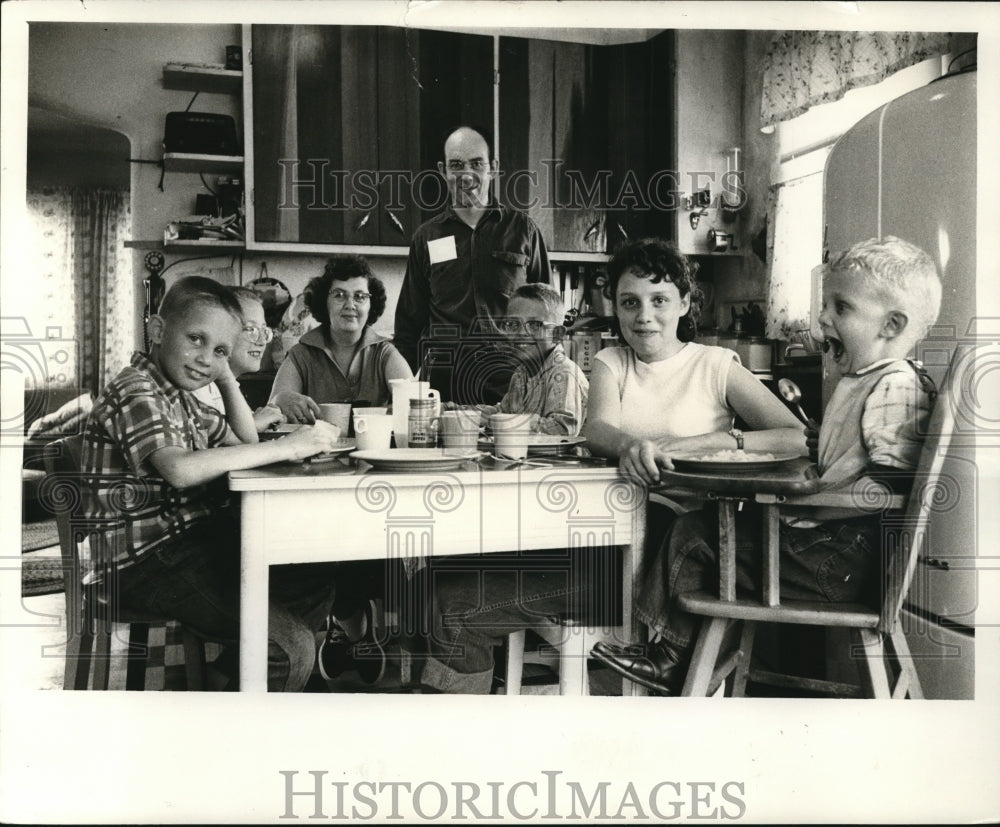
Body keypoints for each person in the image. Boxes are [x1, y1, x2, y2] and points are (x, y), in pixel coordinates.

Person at [416, 238, 802, 694]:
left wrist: (719, 440)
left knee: (451, 604)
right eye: (629, 302)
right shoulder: (612, 361)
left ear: (684, 302)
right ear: (615, 308)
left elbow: (793, 436)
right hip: (593, 536)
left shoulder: (715, 366)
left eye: (659, 300)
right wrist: (632, 445)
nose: (644, 315)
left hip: (657, 563)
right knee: (433, 580)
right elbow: (597, 429)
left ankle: (451, 741)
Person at [592, 236, 943, 694]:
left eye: (841, 307)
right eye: (826, 305)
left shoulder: (894, 385)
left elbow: (887, 488)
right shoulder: (865, 381)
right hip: (838, 549)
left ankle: (670, 656)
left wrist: (810, 501)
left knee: (692, 536)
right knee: (702, 533)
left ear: (892, 325)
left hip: (842, 554)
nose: (822, 318)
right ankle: (671, 655)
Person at [81, 275, 344, 692]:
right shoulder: (135, 388)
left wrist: (225, 377)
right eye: (196, 339)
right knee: (288, 646)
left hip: (186, 545)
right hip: (142, 563)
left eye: (220, 350)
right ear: (156, 330)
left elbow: (245, 441)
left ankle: (228, 682)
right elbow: (180, 469)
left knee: (313, 581)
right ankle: (239, 718)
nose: (206, 358)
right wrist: (289, 447)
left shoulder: (180, 394)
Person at [393, 125, 551, 405]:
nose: (466, 175)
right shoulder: (426, 237)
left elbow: (548, 314)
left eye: (477, 163)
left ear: (493, 168)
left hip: (510, 382)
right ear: (443, 170)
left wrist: (544, 383)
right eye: (456, 165)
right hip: (444, 386)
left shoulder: (524, 230)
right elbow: (408, 326)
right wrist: (398, 392)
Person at [269, 255, 411, 422]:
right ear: (324, 301)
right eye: (339, 295)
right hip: (317, 446)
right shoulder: (301, 354)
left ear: (371, 305)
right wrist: (280, 401)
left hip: (375, 446)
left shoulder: (385, 352)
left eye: (360, 296)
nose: (350, 304)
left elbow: (414, 404)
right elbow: (273, 409)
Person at [455, 282, 589, 435]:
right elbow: (502, 411)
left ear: (557, 334)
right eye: (513, 324)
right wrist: (453, 410)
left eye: (534, 325)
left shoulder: (564, 373)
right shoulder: (521, 374)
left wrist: (502, 421)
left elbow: (562, 430)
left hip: (563, 458)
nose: (522, 333)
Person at [193, 285, 283, 439]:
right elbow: (206, 446)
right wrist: (253, 424)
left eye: (264, 331)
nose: (262, 342)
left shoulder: (228, 386)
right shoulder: (198, 387)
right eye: (251, 330)